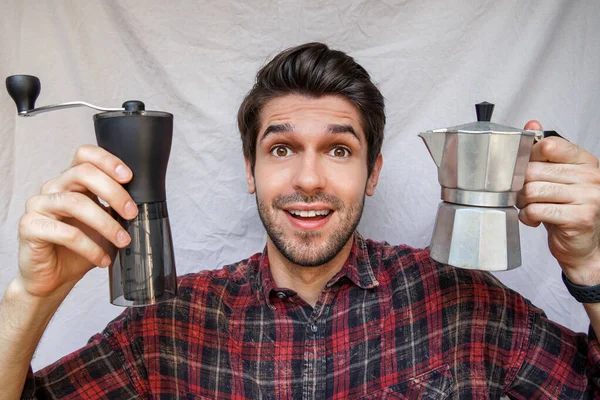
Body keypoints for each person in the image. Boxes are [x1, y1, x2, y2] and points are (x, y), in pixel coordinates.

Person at [1, 42, 599, 399]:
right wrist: (32, 294)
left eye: (338, 150)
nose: (308, 179)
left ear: (373, 172)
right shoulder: (167, 328)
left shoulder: (468, 304)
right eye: (281, 149)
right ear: (250, 170)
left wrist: (594, 265)